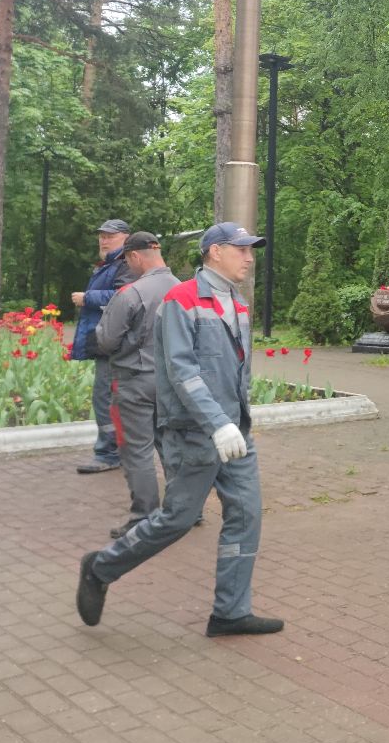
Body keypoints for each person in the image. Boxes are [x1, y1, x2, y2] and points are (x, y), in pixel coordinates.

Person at [76, 222, 284, 637]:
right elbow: (182, 369)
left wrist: (237, 422)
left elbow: (237, 372)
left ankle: (230, 612)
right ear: (213, 252)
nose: (249, 257)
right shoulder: (181, 299)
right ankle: (100, 567)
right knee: (177, 518)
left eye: (251, 250)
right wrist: (216, 423)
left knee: (246, 515)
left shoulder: (238, 304)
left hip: (234, 433)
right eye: (239, 249)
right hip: (195, 433)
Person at [94, 232, 180, 538]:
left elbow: (106, 340)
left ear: (134, 256)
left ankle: (145, 516)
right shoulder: (184, 289)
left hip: (136, 380)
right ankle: (184, 510)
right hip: (173, 382)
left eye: (127, 260)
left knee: (137, 450)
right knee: (170, 446)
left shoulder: (132, 292)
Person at [71, 220, 134, 474]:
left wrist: (87, 298)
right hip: (108, 340)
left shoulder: (125, 264)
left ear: (126, 238)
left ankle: (109, 454)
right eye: (101, 236)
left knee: (105, 397)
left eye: (110, 236)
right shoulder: (111, 264)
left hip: (114, 343)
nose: (103, 240)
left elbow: (125, 297)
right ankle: (121, 451)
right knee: (112, 398)